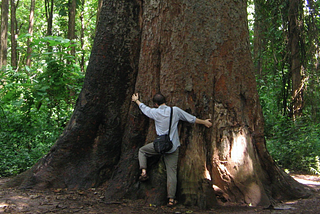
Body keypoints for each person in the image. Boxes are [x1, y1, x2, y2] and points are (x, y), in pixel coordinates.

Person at [132, 92, 212, 207]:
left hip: (159, 146)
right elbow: (190, 119)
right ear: (165, 100)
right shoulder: (175, 111)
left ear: (155, 104)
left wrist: (136, 100)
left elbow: (144, 109)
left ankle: (143, 171)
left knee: (142, 151)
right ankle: (171, 199)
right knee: (171, 173)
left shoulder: (155, 112)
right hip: (172, 147)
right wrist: (204, 122)